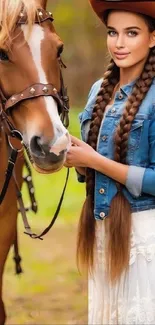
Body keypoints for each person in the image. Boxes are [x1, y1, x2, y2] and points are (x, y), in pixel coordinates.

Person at [65, 1, 155, 324]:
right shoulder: (96, 92)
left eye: (132, 33)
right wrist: (75, 160)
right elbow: (91, 169)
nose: (119, 43)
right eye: (113, 32)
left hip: (142, 239)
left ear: (153, 37)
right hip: (103, 232)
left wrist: (95, 161)